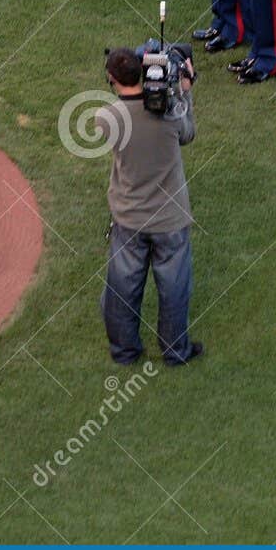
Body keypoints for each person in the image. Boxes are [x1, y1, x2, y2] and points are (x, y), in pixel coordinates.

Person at [97, 47, 205, 367]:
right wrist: (182, 91)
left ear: (112, 79)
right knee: (174, 288)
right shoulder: (170, 111)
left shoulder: (107, 118)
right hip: (170, 219)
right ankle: (174, 351)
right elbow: (187, 133)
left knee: (121, 289)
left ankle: (125, 351)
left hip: (129, 218)